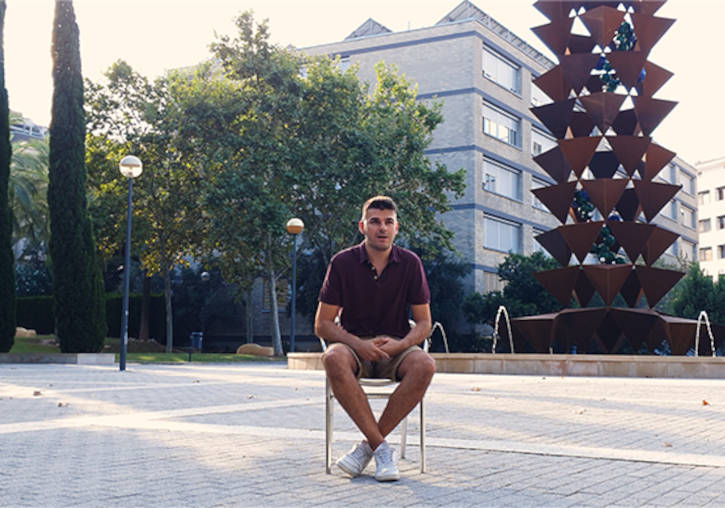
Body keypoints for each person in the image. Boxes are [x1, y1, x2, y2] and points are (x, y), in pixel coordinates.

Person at [314, 195, 435, 482]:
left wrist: (402, 344)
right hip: (354, 347)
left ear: (396, 228)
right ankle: (381, 449)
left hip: (395, 348)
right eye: (375, 221)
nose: (382, 228)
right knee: (332, 356)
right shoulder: (342, 262)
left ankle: (367, 448)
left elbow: (424, 323)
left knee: (425, 364)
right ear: (362, 226)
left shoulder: (410, 263)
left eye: (388, 222)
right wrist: (358, 345)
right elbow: (322, 324)